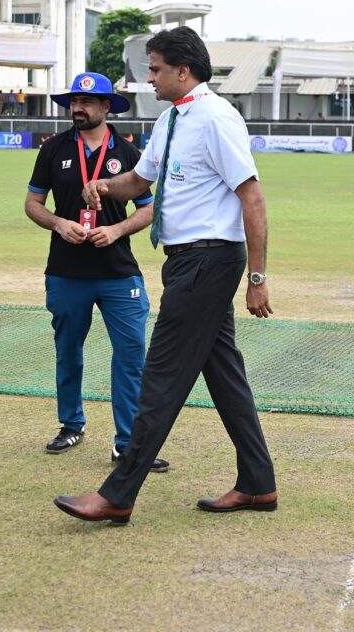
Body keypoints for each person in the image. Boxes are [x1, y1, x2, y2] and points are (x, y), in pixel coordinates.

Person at [53, 26, 276, 524]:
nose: (146, 77)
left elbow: (252, 197)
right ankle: (258, 485)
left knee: (160, 377)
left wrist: (257, 279)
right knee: (225, 377)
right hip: (185, 262)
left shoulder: (216, 118)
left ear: (183, 69)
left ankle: (118, 493)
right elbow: (139, 180)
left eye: (154, 69)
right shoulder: (172, 120)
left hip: (209, 259)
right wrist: (104, 187)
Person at [25, 71, 168, 472]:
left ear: (107, 106)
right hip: (66, 271)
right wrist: (57, 223)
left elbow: (149, 209)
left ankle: (128, 442)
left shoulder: (127, 153)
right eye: (74, 101)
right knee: (68, 351)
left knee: (131, 356)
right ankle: (71, 424)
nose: (78, 107)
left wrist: (117, 229)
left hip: (118, 272)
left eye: (87, 102)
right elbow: (33, 204)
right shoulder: (52, 150)